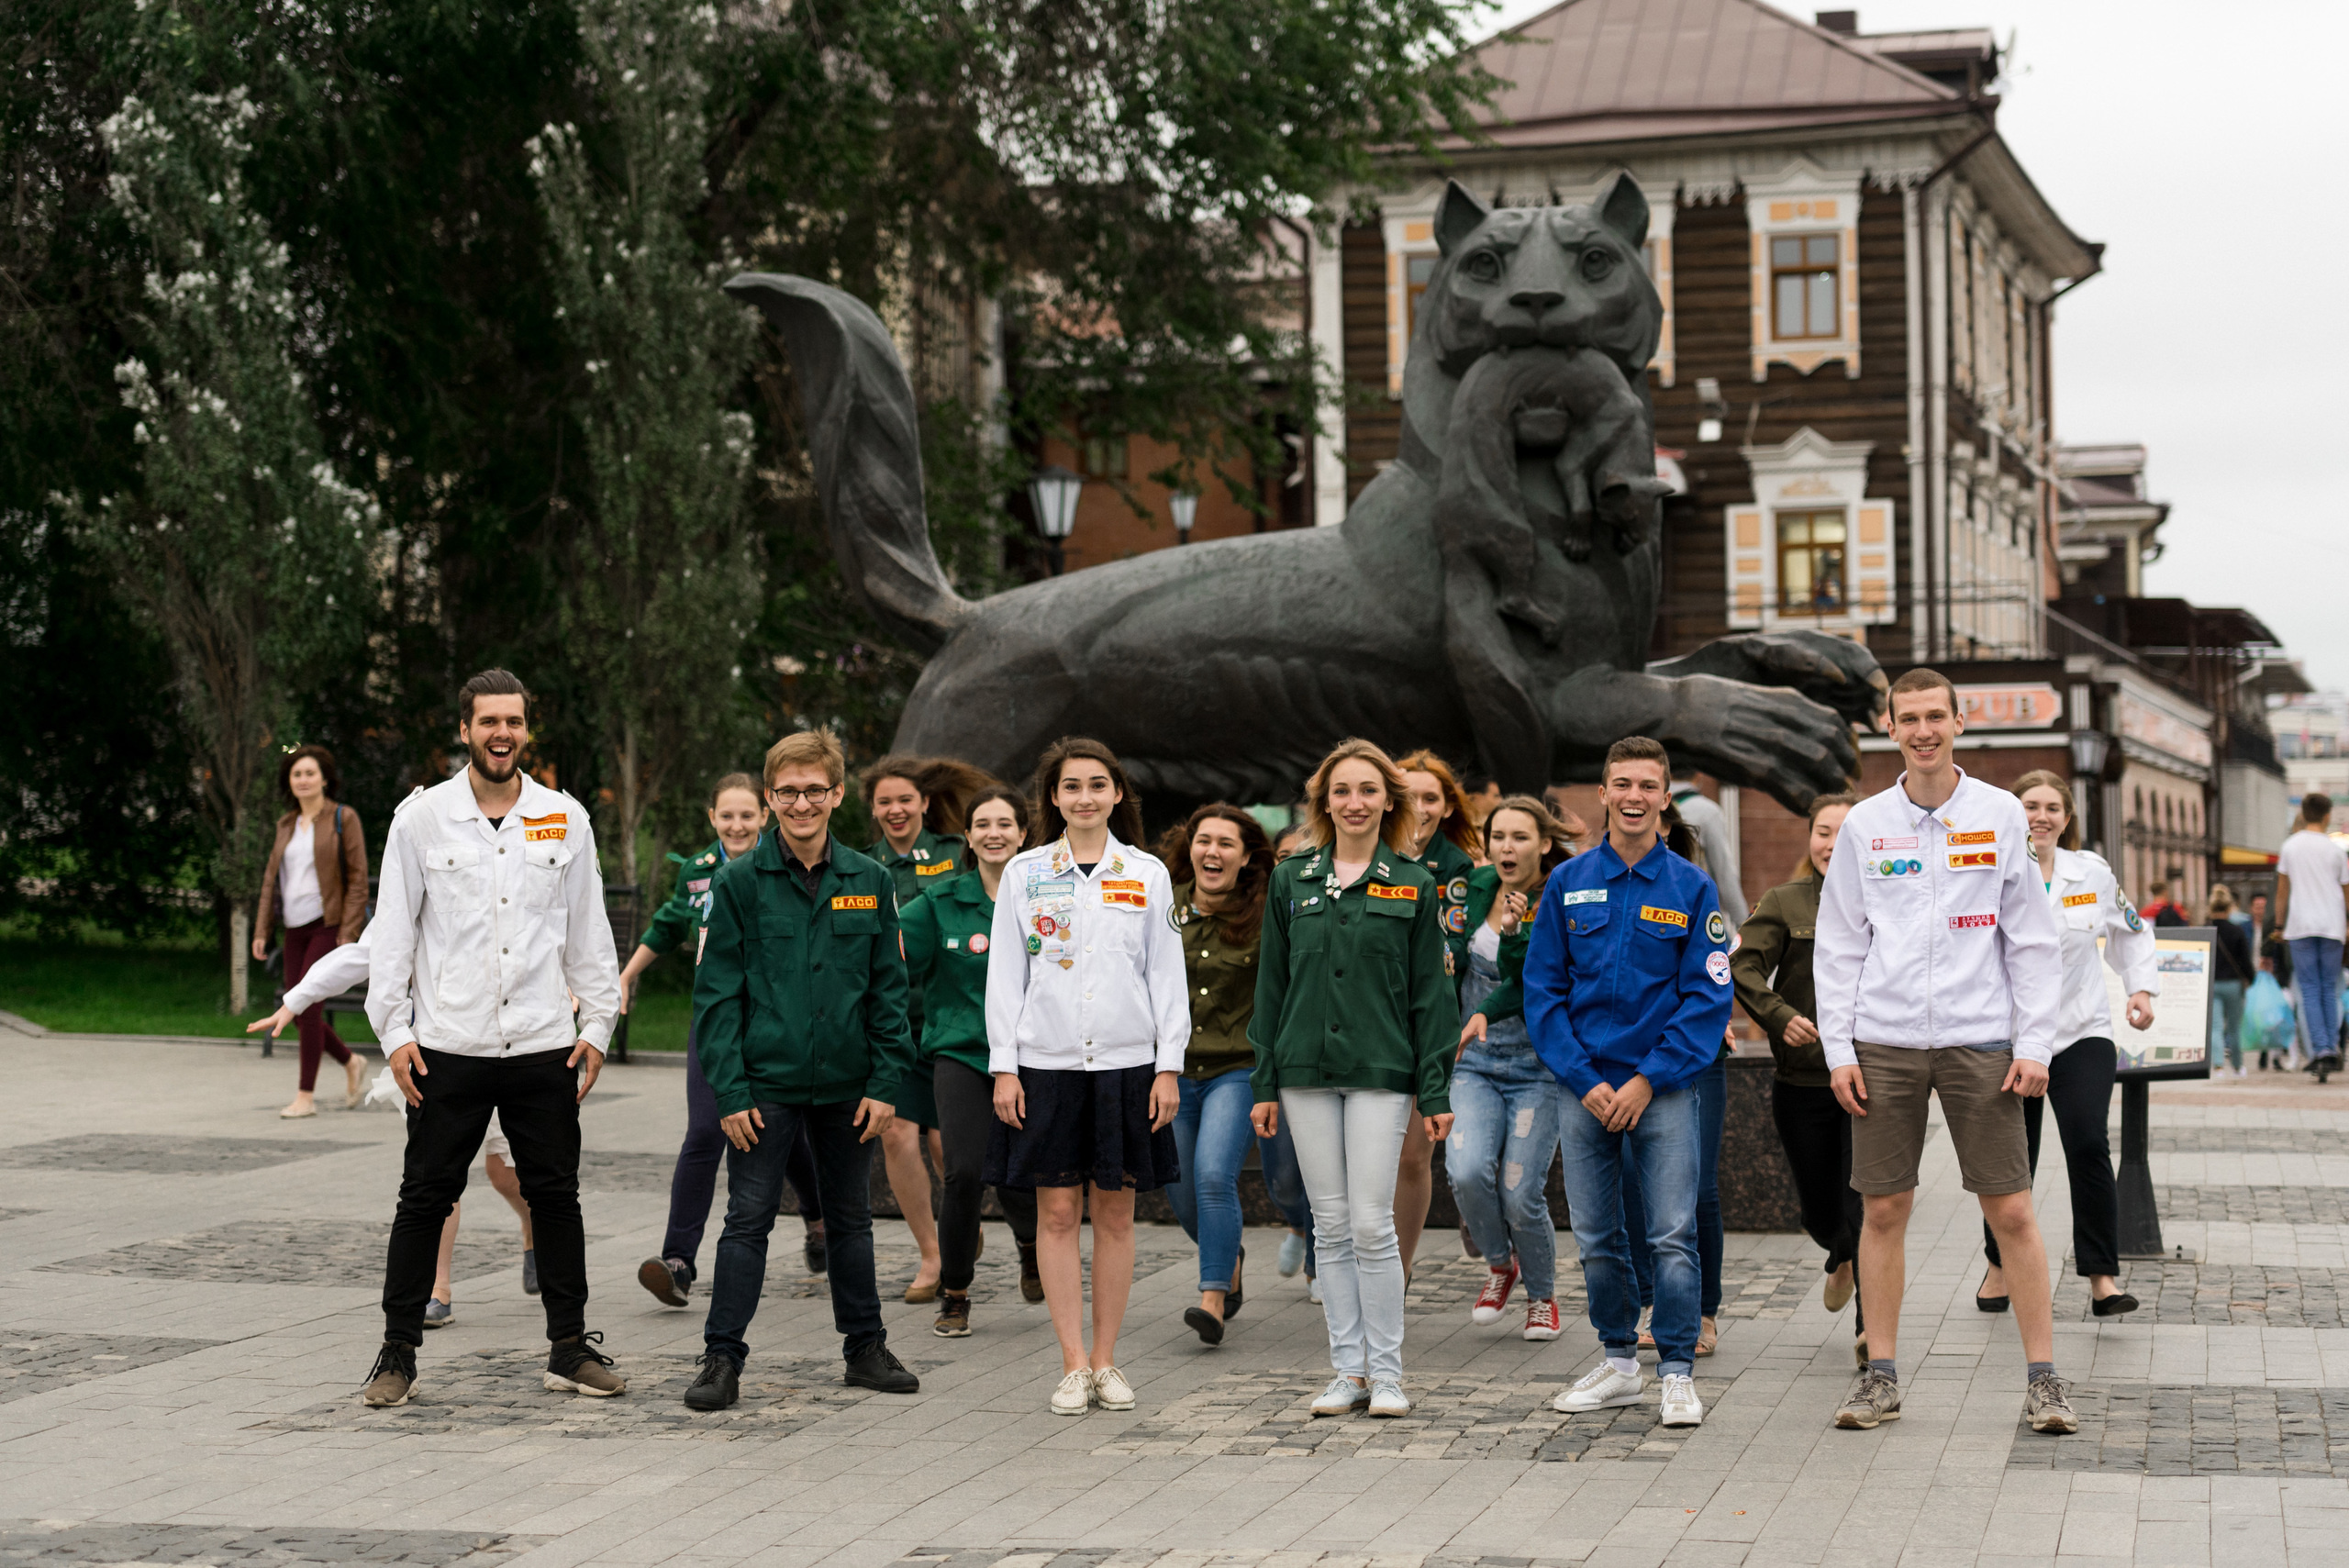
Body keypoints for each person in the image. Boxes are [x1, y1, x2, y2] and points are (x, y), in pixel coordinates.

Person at [1814, 667, 2074, 1436]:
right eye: (1909, 718)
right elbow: (1838, 947)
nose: (1923, 730)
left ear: (1959, 721)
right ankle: (1881, 1375)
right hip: (1885, 1038)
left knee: (2014, 1209)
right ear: (1890, 729)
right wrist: (1839, 1049)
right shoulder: (1865, 824)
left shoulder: (1999, 815)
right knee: (1884, 1206)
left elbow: (2031, 940)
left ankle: (2045, 1380)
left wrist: (2035, 1042)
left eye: (1936, 715)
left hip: (1980, 1037)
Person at [360, 669, 624, 1409]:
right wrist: (395, 1033)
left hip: (544, 1044)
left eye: (513, 721)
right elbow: (393, 937)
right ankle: (397, 1352)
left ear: (526, 730)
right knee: (425, 1196)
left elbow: (589, 934)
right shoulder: (420, 819)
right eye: (488, 722)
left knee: (556, 1196)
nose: (501, 733)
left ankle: (569, 1348)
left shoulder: (565, 818)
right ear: (466, 729)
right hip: (449, 1046)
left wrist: (598, 1026)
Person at [685, 729, 921, 1411]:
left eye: (814, 790)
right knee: (747, 1221)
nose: (801, 803)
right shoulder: (736, 883)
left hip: (849, 1088)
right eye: (787, 792)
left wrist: (884, 1084)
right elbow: (717, 997)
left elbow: (888, 990)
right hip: (765, 1089)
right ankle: (721, 1357)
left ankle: (866, 1348)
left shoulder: (869, 880)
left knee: (849, 1220)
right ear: (769, 798)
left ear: (837, 794)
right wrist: (729, 1090)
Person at [1526, 737, 1729, 1432]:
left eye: (1648, 784)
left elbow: (1707, 999)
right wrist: (1584, 1079)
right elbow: (1543, 991)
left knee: (1672, 1233)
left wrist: (1648, 1078)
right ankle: (1618, 1362)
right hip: (1583, 1089)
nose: (1635, 796)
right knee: (1595, 1236)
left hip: (1662, 1089)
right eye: (1622, 784)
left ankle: (1676, 1370)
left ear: (1665, 796)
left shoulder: (1691, 888)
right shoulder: (1568, 882)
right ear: (1604, 795)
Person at [1250, 739, 1453, 1420]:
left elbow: (1432, 996)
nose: (1355, 802)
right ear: (1323, 801)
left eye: (1368, 790)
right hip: (1303, 1070)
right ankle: (1348, 1371)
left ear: (1387, 801)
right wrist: (1263, 1081)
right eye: (1342, 790)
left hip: (1380, 1070)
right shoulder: (1291, 879)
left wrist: (1435, 1090)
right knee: (1330, 1226)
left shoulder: (1413, 883)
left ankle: (1389, 1373)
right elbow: (1271, 985)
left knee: (1371, 1224)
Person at [985, 738, 1188, 1415]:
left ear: (1118, 793)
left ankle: (1107, 1360)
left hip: (1128, 1065)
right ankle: (1072, 1362)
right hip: (1046, 1064)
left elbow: (1165, 975)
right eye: (1071, 786)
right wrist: (1004, 1067)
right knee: (1059, 1209)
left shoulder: (1148, 872)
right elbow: (1005, 976)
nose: (1084, 797)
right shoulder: (1025, 872)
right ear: (1053, 797)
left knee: (1117, 1210)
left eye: (1097, 784)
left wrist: (1167, 1066)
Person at [250, 921, 537, 1319]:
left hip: (515, 1048)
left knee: (503, 1175)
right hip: (439, 1053)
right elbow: (359, 957)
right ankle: (439, 1289)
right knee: (438, 1176)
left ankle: (531, 1227)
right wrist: (295, 1000)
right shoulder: (412, 889)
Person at [622, 776, 832, 1307]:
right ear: (711, 816)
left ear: (763, 816)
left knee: (778, 1133)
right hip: (715, 1019)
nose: (736, 826)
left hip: (772, 1022)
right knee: (704, 1130)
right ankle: (678, 1262)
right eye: (726, 817)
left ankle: (817, 1217)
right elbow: (671, 923)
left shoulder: (787, 862)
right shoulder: (697, 870)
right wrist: (627, 976)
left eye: (746, 816)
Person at [1975, 771, 2156, 1321]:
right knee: (2011, 1160)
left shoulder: (2092, 872)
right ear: (2014, 812)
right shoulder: (1989, 869)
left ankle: (2102, 1278)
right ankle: (2000, 1266)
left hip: (2081, 1032)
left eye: (2053, 808)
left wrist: (2140, 989)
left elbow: (2132, 931)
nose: (2041, 817)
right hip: (2010, 1037)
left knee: (2087, 1144)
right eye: (2030, 805)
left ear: (2067, 818)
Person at [900, 784, 1043, 1337]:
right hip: (961, 1053)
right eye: (982, 824)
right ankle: (955, 1291)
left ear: (1024, 833)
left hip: (1035, 1056)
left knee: (1021, 1173)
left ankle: (1032, 1247)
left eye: (1004, 824)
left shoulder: (1045, 896)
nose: (994, 834)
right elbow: (886, 948)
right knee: (963, 1172)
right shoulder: (941, 900)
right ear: (968, 836)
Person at [1732, 791, 1865, 1362]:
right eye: (1822, 832)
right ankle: (1840, 1254)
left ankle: (1871, 1329)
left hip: (1870, 1079)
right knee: (1817, 1209)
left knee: (1866, 1202)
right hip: (1803, 1081)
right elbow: (1740, 964)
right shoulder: (1784, 902)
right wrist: (1778, 1017)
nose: (1831, 844)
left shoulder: (1885, 900)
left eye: (1844, 832)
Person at [861, 755, 983, 1301]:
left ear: (925, 804)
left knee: (946, 1148)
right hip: (892, 1028)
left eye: (905, 799)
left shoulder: (959, 855)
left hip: (952, 1025)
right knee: (895, 1134)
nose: (895, 810)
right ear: (873, 810)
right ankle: (932, 1257)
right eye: (884, 802)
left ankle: (961, 1225)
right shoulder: (862, 868)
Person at [1452, 796, 1573, 1340]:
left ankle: (1543, 1297)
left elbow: (1528, 984)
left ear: (1544, 844)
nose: (1507, 847)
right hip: (1472, 1062)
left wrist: (1515, 927)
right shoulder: (1474, 887)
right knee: (1465, 1169)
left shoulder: (1561, 897)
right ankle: (1502, 1265)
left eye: (1520, 837)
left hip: (1538, 1066)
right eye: (1498, 836)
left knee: (1519, 1189)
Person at [1158, 804, 1276, 1346]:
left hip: (1237, 1068)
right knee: (1177, 1184)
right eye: (1204, 840)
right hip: (1171, 1071)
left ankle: (1212, 1300)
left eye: (1226, 844)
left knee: (1212, 1175)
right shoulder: (1160, 905)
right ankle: (1228, 1256)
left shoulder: (1266, 912)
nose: (1213, 852)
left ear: (1246, 855)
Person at [1393, 750, 1481, 1278]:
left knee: (1410, 1157)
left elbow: (1455, 951)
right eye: (1411, 797)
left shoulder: (1456, 868)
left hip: (1430, 1024)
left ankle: (1397, 1274)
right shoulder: (1364, 854)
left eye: (1431, 798)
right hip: (1368, 1020)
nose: (1420, 808)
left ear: (1448, 807)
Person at [253, 745, 371, 1118]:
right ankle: (351, 1061)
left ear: (324, 778)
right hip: (294, 928)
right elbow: (272, 881)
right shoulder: (285, 825)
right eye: (296, 774)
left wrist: (348, 932)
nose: (303, 780)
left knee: (306, 1004)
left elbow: (357, 878)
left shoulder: (342, 817)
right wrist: (261, 930)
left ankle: (305, 1096)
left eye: (310, 773)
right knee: (299, 1006)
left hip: (329, 925)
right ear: (289, 782)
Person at [2274, 794, 2348, 1072]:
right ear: (2327, 816)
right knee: (2329, 988)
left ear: (2303, 814)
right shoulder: (2336, 850)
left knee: (2309, 989)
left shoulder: (2290, 847)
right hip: (2332, 926)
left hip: (2301, 926)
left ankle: (2321, 1048)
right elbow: (2346, 891)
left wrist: (2279, 926)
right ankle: (2333, 1046)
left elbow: (2282, 892)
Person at [1670, 772, 1748, 927]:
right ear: (1699, 775)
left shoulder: (1651, 808)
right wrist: (1744, 926)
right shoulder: (1707, 812)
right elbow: (1724, 873)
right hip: (1697, 916)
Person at [2210, 885, 2254, 1078]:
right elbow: (2245, 959)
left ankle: (2218, 1066)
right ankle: (2238, 1066)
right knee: (2235, 1027)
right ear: (2229, 909)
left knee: (2216, 1027)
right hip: (2233, 985)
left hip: (2212, 984)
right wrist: (2251, 979)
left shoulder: (2205, 930)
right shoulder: (2237, 931)